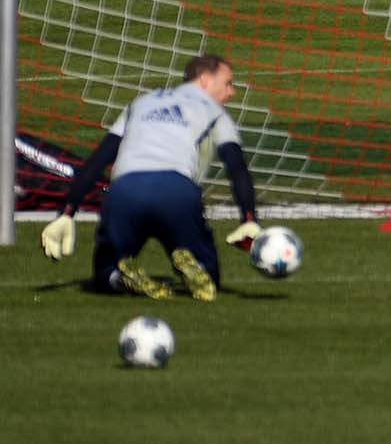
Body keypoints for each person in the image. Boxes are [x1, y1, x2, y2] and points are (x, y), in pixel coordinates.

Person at [39, 53, 265, 302]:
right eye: (228, 83)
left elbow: (98, 160)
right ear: (204, 80)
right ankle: (193, 265)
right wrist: (248, 217)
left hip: (125, 192)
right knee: (210, 279)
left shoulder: (141, 102)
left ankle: (119, 278)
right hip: (176, 192)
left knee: (104, 272)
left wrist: (67, 212)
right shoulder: (214, 112)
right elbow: (236, 167)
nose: (231, 92)